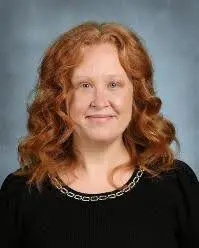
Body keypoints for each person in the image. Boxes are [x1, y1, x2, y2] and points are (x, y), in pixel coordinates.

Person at [0, 21, 199, 248]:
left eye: (114, 84)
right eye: (85, 85)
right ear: (60, 98)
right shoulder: (20, 193)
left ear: (136, 96)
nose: (100, 102)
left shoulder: (177, 185)